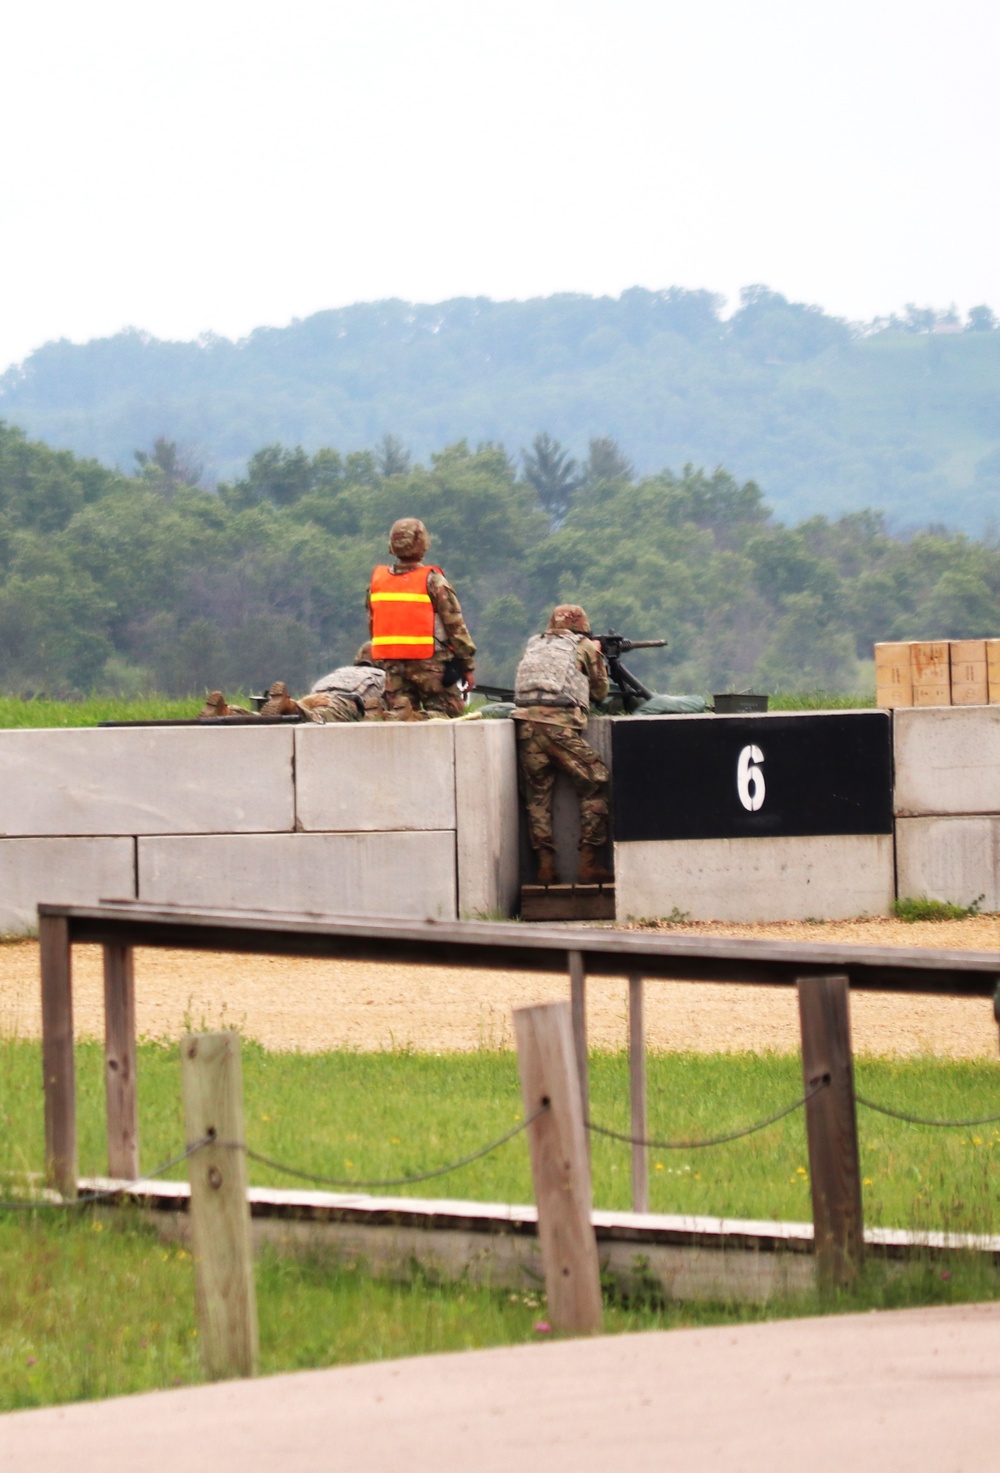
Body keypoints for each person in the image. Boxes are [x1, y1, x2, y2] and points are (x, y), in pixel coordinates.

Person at [513, 604, 613, 886]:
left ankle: (545, 869)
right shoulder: (584, 647)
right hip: (560, 728)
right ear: (581, 624)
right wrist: (598, 656)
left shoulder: (535, 644)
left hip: (526, 728)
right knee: (595, 781)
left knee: (537, 799)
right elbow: (600, 692)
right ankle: (589, 865)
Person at [366, 518, 476, 718]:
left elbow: (373, 625)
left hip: (393, 668)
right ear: (422, 543)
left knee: (398, 723)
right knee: (449, 715)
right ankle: (415, 718)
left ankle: (395, 717)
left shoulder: (378, 582)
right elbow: (455, 626)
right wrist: (466, 665)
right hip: (431, 666)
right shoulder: (433, 580)